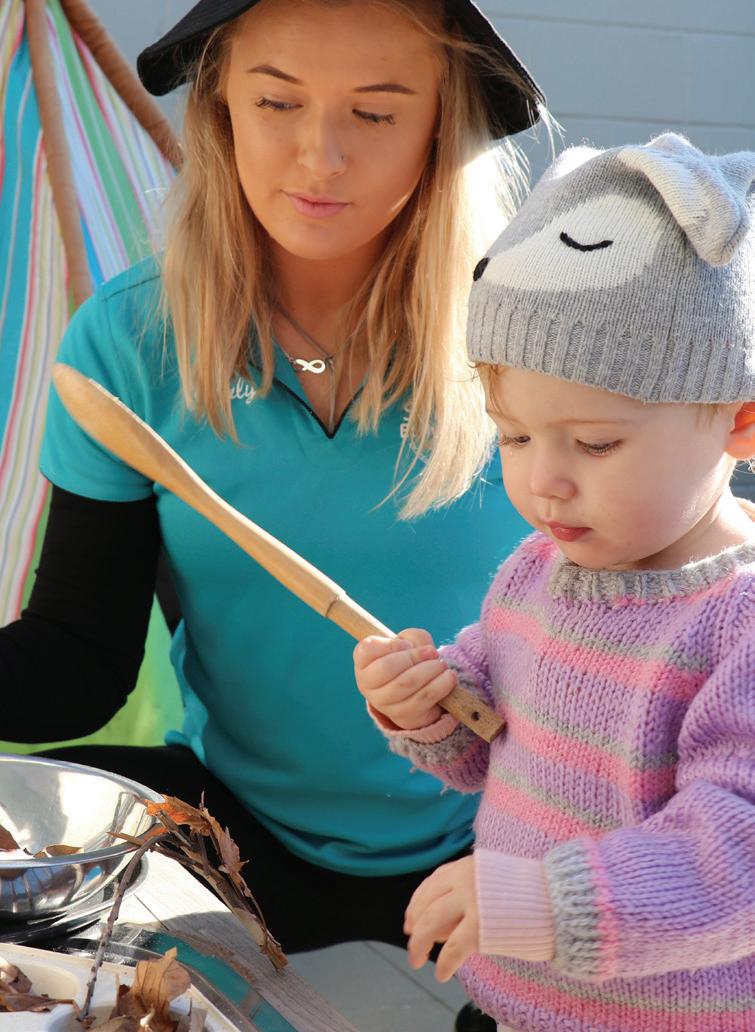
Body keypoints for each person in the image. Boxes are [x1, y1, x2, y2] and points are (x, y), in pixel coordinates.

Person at [1, 1, 544, 1028]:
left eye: (375, 113)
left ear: (442, 127)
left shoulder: (535, 330)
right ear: (218, 109)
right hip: (233, 839)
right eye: (276, 102)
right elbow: (77, 659)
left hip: (514, 847)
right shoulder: (129, 341)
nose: (319, 155)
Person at [354, 133, 755, 1032]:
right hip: (509, 1003)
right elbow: (489, 741)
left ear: (739, 421)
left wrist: (538, 900)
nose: (543, 482)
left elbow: (736, 856)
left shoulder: (737, 622)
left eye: (596, 443)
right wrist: (428, 703)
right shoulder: (542, 569)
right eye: (515, 435)